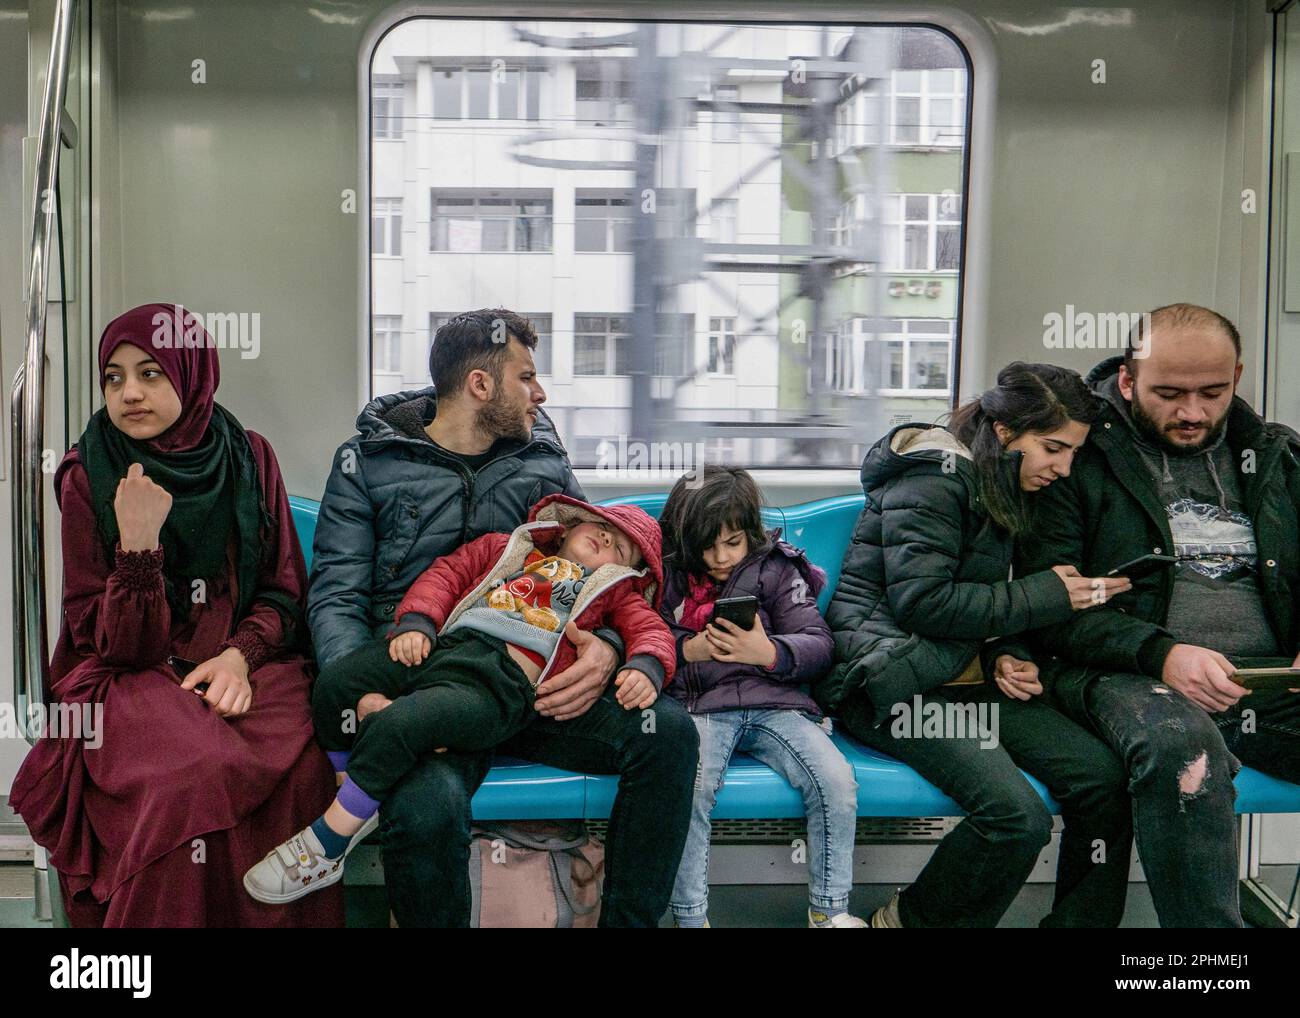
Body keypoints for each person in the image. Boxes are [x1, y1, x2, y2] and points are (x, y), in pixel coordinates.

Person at [307, 308, 699, 926]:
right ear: (481, 386)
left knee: (669, 735)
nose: (541, 394)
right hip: (430, 680)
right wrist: (373, 697)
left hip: (535, 681)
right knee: (426, 803)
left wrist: (608, 652)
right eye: (527, 377)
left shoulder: (544, 458)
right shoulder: (369, 464)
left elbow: (602, 571)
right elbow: (336, 597)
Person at [9, 303, 341, 927]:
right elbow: (105, 640)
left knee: (306, 765)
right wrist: (137, 547)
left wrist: (240, 657)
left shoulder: (248, 456)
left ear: (192, 376)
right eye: (113, 377)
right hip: (126, 670)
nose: (129, 392)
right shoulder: (88, 475)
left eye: (150, 373)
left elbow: (283, 592)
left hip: (245, 657)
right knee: (189, 771)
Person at [817, 362, 1135, 928]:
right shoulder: (936, 479)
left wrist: (1007, 656)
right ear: (1006, 431)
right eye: (1053, 448)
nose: (1062, 468)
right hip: (888, 681)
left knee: (1102, 778)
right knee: (1018, 818)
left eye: (1072, 455)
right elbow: (925, 603)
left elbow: (986, 601)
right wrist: (1048, 596)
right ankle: (907, 922)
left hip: (959, 677)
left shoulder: (1000, 484)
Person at [1013, 304, 1300, 927]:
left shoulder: (1277, 455)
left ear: (1238, 377)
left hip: (1265, 678)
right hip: (1122, 669)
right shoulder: (1074, 459)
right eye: (1168, 394)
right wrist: (1163, 653)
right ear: (1126, 379)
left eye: (1211, 392)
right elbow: (1049, 608)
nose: (1192, 412)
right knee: (1183, 748)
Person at [246, 494, 674, 902]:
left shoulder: (613, 592)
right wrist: (418, 621)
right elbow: (448, 574)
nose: (604, 538)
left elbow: (649, 630)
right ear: (566, 527)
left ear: (625, 574)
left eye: (619, 548)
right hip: (446, 646)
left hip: (497, 684)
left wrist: (643, 665)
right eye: (600, 526)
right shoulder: (508, 548)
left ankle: (327, 844)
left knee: (403, 722)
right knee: (338, 683)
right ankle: (351, 788)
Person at [658, 466, 864, 928]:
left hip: (776, 702)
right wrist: (686, 648)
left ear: (751, 533)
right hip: (700, 706)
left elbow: (819, 642)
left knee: (836, 782)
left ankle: (829, 912)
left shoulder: (777, 569)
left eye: (732, 543)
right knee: (689, 791)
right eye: (706, 546)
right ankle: (690, 917)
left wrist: (768, 652)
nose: (720, 557)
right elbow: (643, 637)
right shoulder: (668, 574)